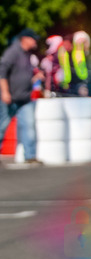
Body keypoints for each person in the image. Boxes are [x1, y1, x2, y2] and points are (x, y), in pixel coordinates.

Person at [0, 29, 43, 165]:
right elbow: (2, 73)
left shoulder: (27, 54)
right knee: (1, 126)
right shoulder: (12, 52)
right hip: (10, 98)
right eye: (33, 39)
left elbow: (23, 77)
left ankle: (30, 156)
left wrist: (35, 77)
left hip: (24, 98)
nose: (35, 41)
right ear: (25, 39)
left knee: (29, 126)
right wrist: (5, 92)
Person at [69, 31, 91, 96]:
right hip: (76, 86)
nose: (83, 44)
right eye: (80, 42)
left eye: (84, 42)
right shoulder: (72, 56)